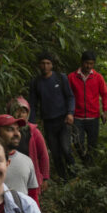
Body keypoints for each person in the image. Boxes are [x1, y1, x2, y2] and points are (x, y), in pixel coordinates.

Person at [27, 51, 75, 180]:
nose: (45, 66)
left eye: (48, 63)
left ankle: (74, 175)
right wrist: (31, 124)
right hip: (48, 122)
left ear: (52, 65)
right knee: (55, 153)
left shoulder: (61, 78)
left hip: (63, 120)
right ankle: (63, 178)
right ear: (39, 65)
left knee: (66, 149)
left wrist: (70, 113)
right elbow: (32, 104)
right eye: (42, 63)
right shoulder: (36, 82)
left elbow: (70, 97)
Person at [68, 50, 107, 165]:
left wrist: (105, 111)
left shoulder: (98, 77)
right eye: (86, 63)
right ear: (82, 62)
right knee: (78, 143)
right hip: (77, 117)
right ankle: (85, 161)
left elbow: (105, 94)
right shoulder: (72, 77)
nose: (88, 66)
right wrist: (68, 113)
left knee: (92, 145)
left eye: (91, 64)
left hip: (93, 117)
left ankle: (90, 168)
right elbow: (67, 95)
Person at [6, 96, 50, 194]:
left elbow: (43, 155)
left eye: (23, 111)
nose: (20, 114)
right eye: (17, 110)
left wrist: (45, 178)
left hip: (30, 176)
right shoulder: (5, 131)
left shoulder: (34, 132)